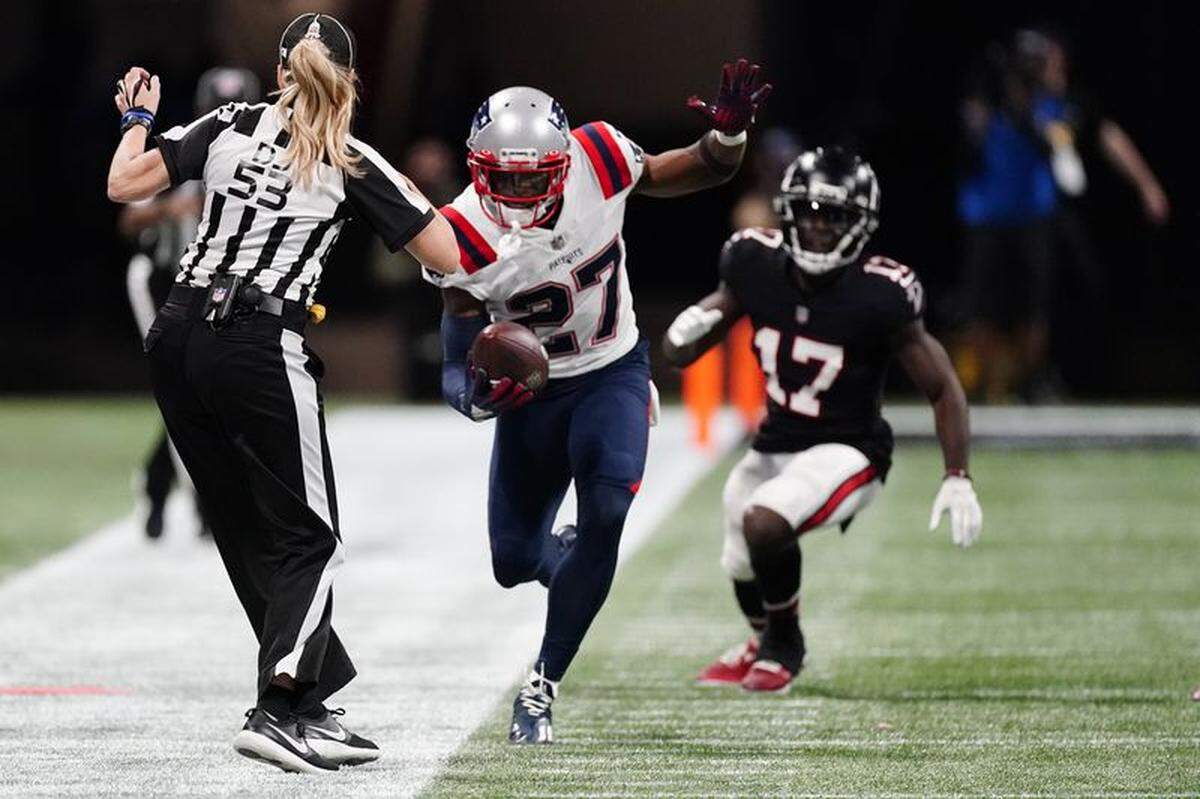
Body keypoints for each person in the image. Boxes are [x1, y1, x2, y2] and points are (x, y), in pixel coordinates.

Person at [105, 12, 458, 773]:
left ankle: (305, 699)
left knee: (243, 525)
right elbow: (444, 250)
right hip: (260, 339)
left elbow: (123, 181)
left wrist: (137, 120)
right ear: (350, 80)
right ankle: (278, 702)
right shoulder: (350, 158)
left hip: (178, 332)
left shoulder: (229, 121)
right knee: (310, 535)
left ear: (278, 71)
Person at [425, 60, 772, 743]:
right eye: (506, 177)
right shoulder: (459, 230)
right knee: (514, 560)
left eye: (534, 176)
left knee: (608, 507)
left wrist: (727, 139)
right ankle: (579, 566)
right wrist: (468, 389)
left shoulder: (599, 156)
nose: (520, 193)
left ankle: (542, 684)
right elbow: (455, 333)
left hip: (610, 369)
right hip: (533, 393)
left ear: (561, 163)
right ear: (477, 168)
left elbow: (700, 167)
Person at [663, 148, 982, 694]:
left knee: (764, 521)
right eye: (807, 210)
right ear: (785, 211)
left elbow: (942, 387)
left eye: (832, 215)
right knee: (739, 557)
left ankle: (786, 647)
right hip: (777, 441)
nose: (815, 225)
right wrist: (678, 342)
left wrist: (958, 476)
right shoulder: (753, 264)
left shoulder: (881, 293)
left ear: (861, 225)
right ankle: (762, 640)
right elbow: (690, 344)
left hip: (850, 449)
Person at [121, 67, 260, 540]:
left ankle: (166, 487)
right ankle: (196, 503)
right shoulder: (184, 147)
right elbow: (128, 215)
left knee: (205, 391)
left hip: (214, 291)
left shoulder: (258, 158)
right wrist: (172, 209)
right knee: (188, 388)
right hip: (161, 279)